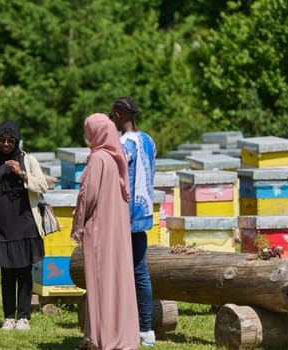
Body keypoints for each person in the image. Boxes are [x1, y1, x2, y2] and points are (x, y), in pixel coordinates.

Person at [71, 113, 139, 350]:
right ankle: (116, 335)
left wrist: (78, 224)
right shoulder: (113, 158)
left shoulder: (98, 159)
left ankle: (101, 339)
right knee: (116, 282)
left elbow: (87, 196)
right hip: (116, 234)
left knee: (101, 283)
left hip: (99, 232)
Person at [0, 120, 48, 331]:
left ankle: (24, 317)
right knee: (7, 273)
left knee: (24, 272)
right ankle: (9, 317)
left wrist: (22, 174)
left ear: (17, 141)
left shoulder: (29, 160)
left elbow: (42, 185)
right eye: (2, 140)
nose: (6, 144)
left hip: (25, 223)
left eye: (10, 140)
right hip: (2, 226)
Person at [110, 96, 157, 346]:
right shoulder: (149, 140)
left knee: (122, 272)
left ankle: (126, 324)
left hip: (123, 215)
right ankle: (147, 329)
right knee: (141, 271)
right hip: (144, 213)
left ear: (118, 115)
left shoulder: (122, 144)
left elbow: (115, 177)